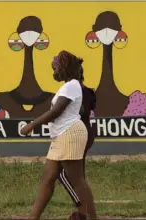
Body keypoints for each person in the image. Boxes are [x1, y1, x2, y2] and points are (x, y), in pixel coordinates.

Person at [20, 51, 97, 220]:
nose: (53, 71)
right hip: (61, 136)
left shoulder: (72, 85)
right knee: (48, 178)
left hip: (69, 134)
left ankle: (91, 217)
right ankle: (32, 217)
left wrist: (32, 125)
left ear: (64, 67)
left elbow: (56, 111)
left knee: (77, 180)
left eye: (55, 67)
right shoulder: (70, 86)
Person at [57, 60, 97, 208]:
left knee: (63, 174)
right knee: (77, 175)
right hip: (87, 131)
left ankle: (81, 207)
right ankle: (84, 208)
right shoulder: (85, 90)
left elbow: (83, 112)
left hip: (78, 132)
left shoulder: (77, 91)